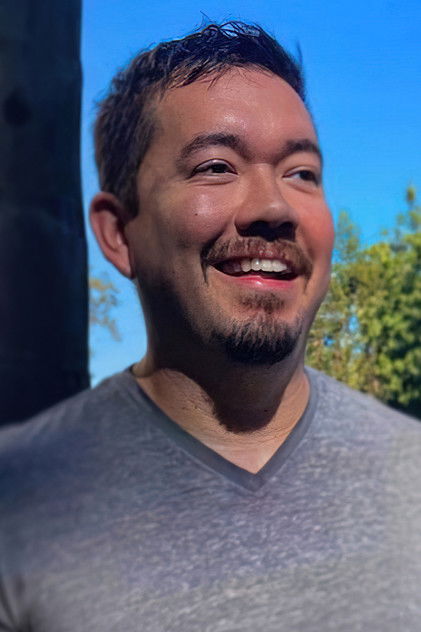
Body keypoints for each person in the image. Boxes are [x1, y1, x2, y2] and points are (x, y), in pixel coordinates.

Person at [0, 22, 420, 632]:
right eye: (216, 166)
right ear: (119, 234)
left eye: (301, 173)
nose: (274, 207)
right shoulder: (18, 503)